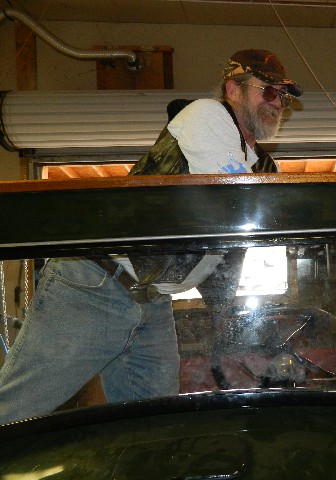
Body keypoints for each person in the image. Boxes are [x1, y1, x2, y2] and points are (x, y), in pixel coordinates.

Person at [0, 49, 302, 424]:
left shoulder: (262, 165)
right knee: (18, 410)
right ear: (234, 90)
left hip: (151, 297)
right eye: (268, 91)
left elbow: (248, 237)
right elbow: (237, 204)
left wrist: (228, 318)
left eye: (282, 96)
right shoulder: (207, 116)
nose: (277, 103)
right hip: (95, 284)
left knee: (151, 421)